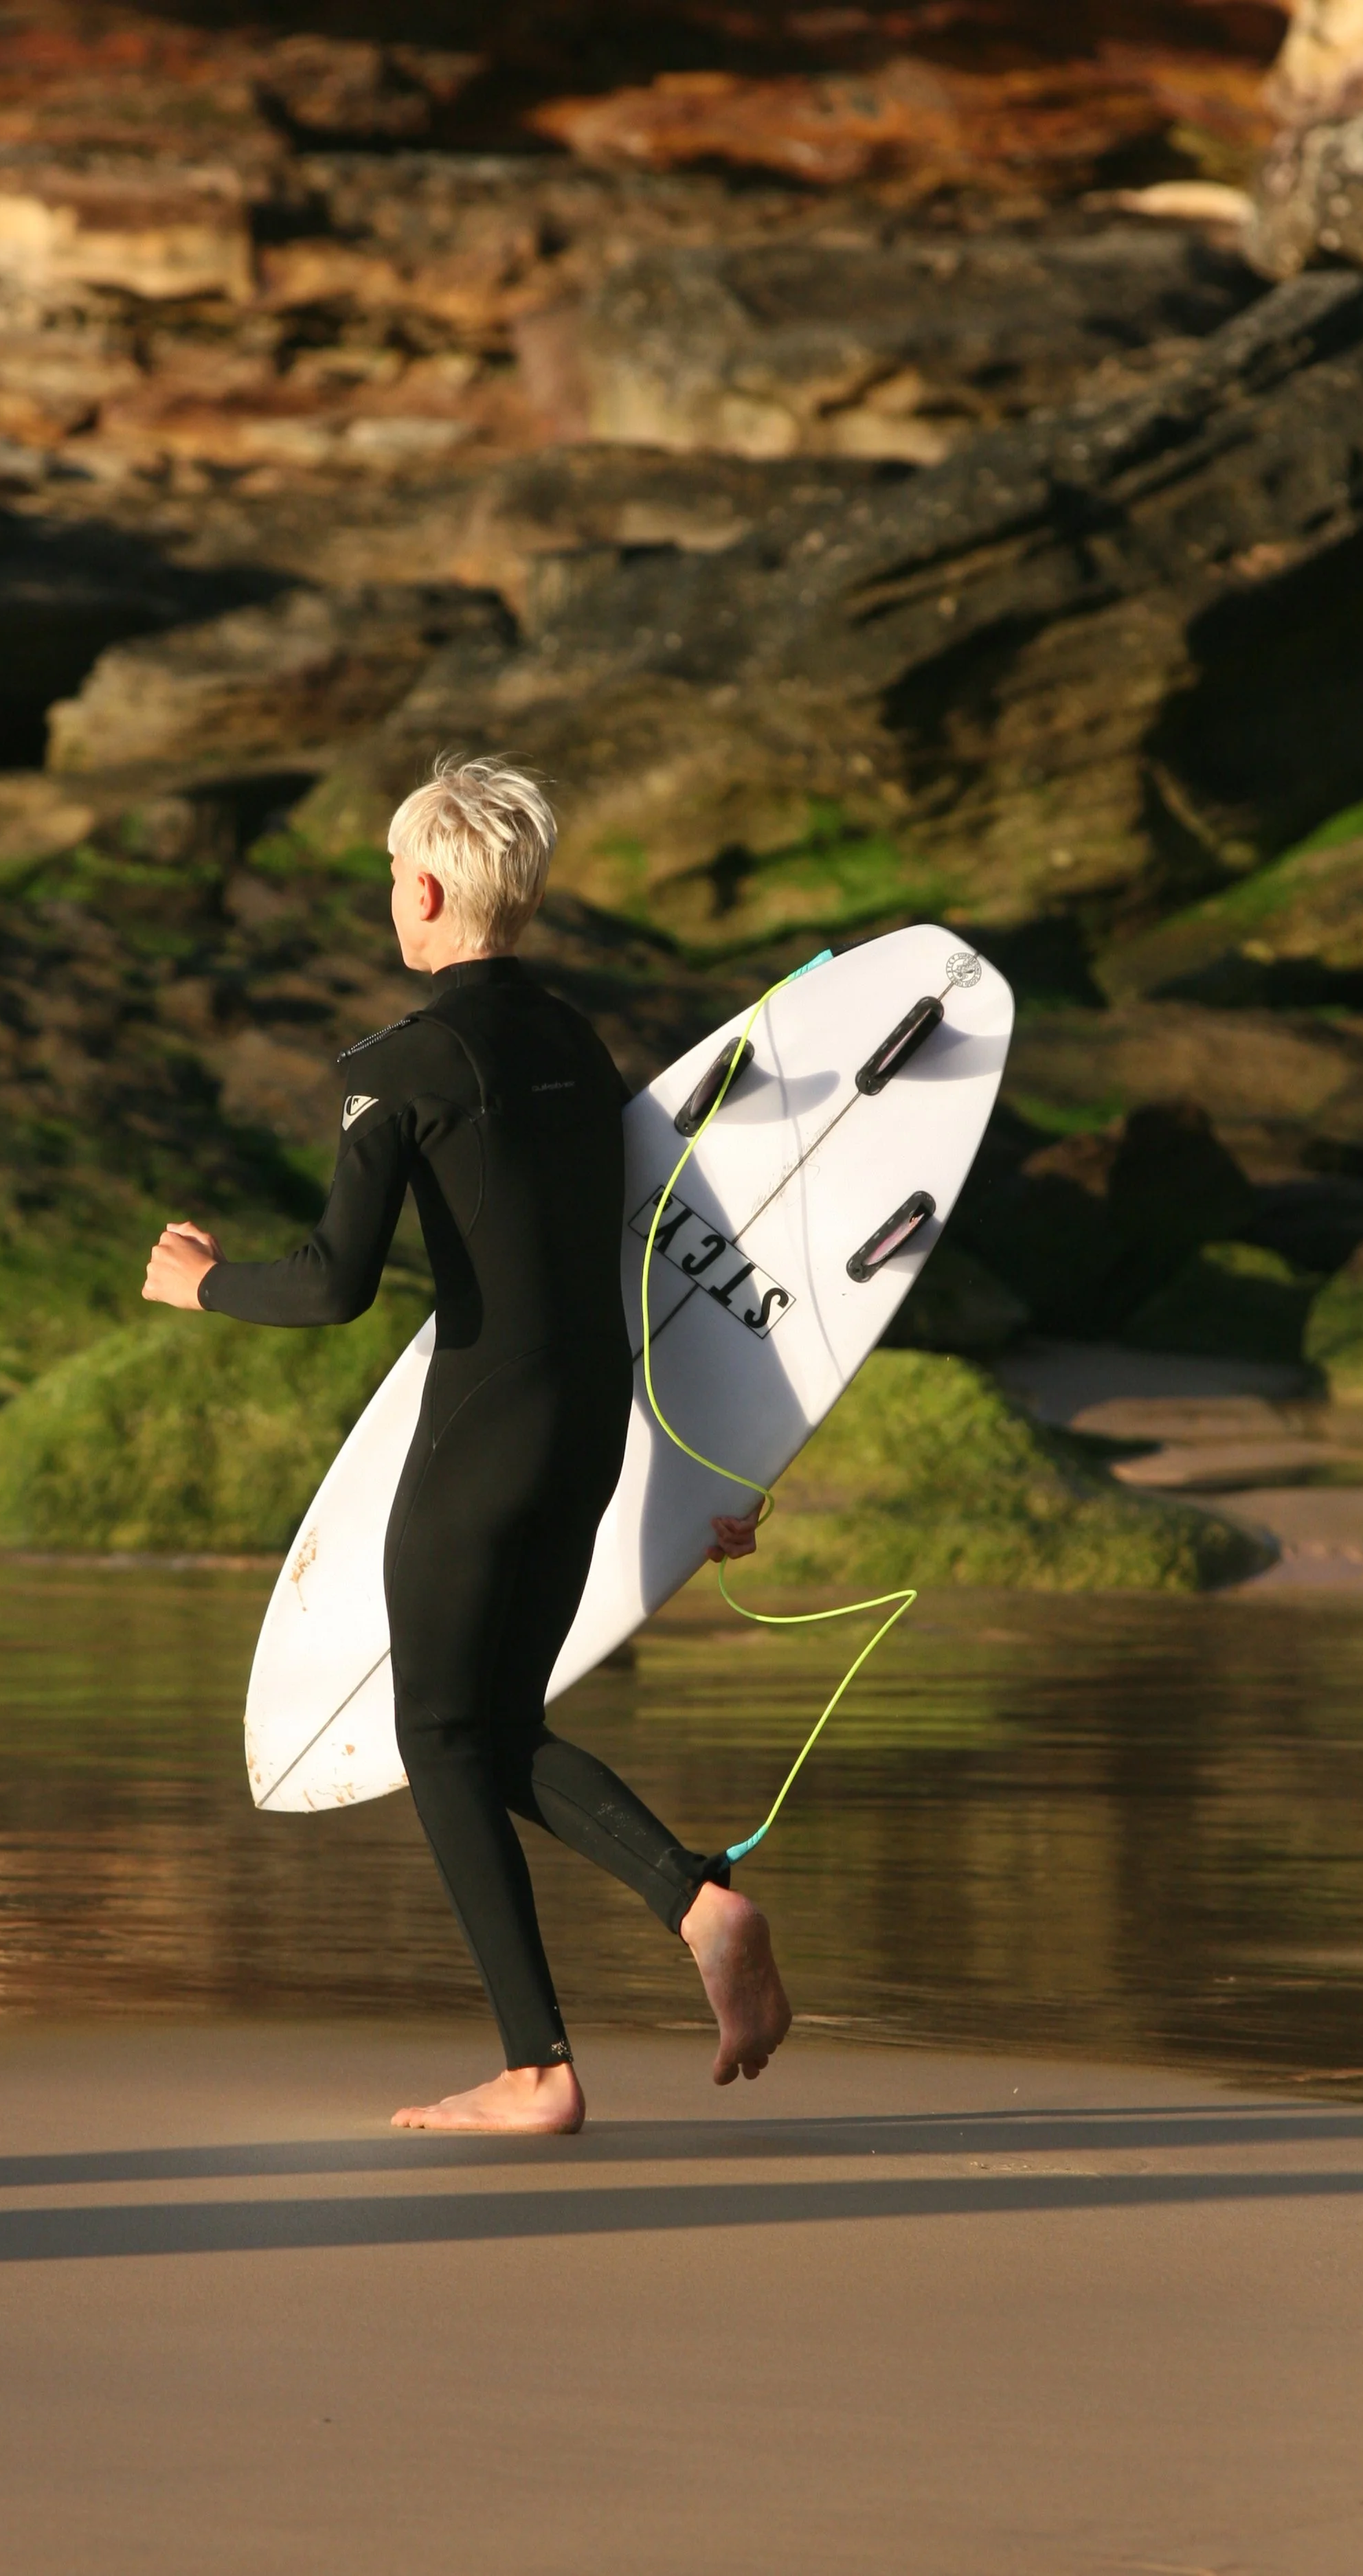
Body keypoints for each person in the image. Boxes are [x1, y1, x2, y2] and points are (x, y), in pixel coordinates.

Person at [142, 757, 790, 2134]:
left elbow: (330, 1282)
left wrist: (201, 1282)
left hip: (481, 1434)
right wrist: (714, 1481)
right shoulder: (578, 1045)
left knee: (434, 1736)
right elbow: (658, 1264)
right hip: (589, 1431)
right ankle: (697, 1903)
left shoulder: (402, 1068)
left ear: (423, 890)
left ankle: (536, 2068)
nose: (391, 898)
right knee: (492, 1730)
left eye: (390, 878)